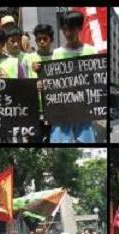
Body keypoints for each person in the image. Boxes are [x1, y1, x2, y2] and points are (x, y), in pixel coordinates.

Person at [49, 11, 97, 143]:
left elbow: (97, 81)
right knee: (59, 141)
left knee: (87, 141)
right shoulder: (57, 54)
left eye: (71, 28)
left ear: (80, 28)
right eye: (64, 29)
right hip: (63, 109)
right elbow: (52, 82)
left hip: (84, 109)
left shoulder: (92, 51)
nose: (68, 33)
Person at [23, 24, 54, 143]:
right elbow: (22, 83)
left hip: (54, 110)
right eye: (38, 39)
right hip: (34, 111)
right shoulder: (28, 58)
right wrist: (33, 86)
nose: (41, 42)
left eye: (45, 39)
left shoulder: (57, 57)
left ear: (51, 39)